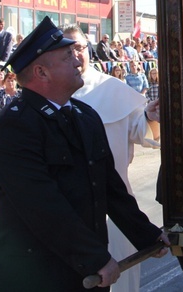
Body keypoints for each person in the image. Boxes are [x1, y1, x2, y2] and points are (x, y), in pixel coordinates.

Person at [0, 17, 168, 291]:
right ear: (41, 73)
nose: (77, 60)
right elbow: (43, 205)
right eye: (67, 56)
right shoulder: (14, 126)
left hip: (82, 275)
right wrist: (93, 258)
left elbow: (110, 188)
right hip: (33, 276)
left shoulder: (84, 116)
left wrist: (149, 237)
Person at [64, 24, 161, 292]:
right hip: (69, 211)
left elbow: (144, 133)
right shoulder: (54, 95)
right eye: (67, 50)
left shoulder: (113, 89)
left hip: (114, 204)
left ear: (90, 50)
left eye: (80, 48)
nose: (75, 55)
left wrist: (150, 117)